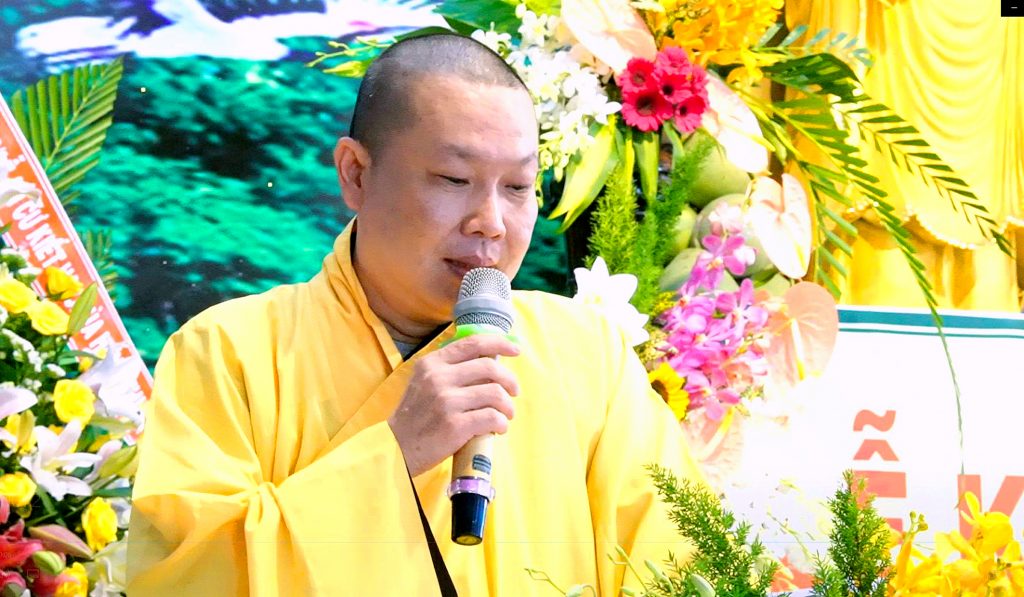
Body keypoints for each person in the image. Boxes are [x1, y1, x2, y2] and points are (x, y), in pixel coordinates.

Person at [127, 32, 702, 595]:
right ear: (356, 174)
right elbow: (188, 576)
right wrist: (394, 454)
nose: (491, 222)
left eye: (518, 186)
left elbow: (685, 566)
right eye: (455, 179)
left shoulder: (588, 355)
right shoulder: (226, 354)